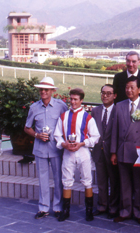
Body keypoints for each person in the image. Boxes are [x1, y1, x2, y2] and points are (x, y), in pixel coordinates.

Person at [110, 76, 140, 224]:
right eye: (127, 87)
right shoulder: (119, 106)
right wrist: (113, 152)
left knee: (139, 185)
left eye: (132, 88)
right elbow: (114, 131)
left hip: (139, 152)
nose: (129, 90)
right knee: (124, 184)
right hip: (122, 150)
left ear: (139, 89)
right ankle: (125, 211)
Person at [24, 77, 68, 219]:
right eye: (41, 89)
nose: (43, 92)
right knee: (42, 179)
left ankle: (58, 207)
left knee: (58, 178)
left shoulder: (61, 106)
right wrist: (37, 135)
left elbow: (67, 124)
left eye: (46, 90)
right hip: (40, 149)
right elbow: (27, 128)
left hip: (56, 149)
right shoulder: (34, 107)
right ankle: (43, 208)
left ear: (52, 91)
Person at [54, 88, 100, 222]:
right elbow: (57, 135)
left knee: (87, 180)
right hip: (68, 152)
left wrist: (82, 143)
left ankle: (89, 211)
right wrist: (64, 144)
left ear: (81, 101)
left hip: (83, 151)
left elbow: (96, 137)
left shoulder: (87, 117)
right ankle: (66, 211)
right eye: (71, 99)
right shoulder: (63, 116)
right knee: (66, 180)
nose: (73, 102)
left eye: (76, 99)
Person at [91, 85, 120, 218]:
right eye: (103, 93)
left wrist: (115, 152)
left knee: (114, 181)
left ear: (115, 96)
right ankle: (102, 205)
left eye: (109, 93)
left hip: (112, 152)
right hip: (99, 151)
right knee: (101, 181)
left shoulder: (118, 110)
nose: (105, 96)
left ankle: (113, 208)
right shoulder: (95, 111)